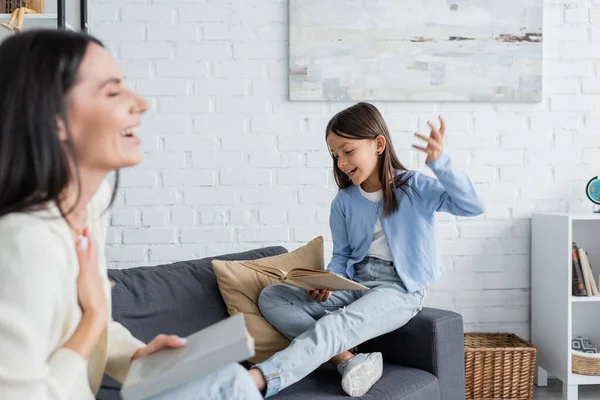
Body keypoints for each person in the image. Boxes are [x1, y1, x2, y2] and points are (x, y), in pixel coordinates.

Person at [0, 29, 262, 400]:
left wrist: (135, 356)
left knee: (228, 380)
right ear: (54, 117)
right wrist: (93, 317)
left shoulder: (89, 205)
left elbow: (71, 327)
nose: (140, 103)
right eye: (112, 92)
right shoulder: (23, 242)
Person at [248, 102, 485, 397]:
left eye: (348, 151)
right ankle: (347, 360)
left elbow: (472, 206)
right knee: (273, 296)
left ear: (378, 144)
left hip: (400, 288)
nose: (342, 163)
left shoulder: (414, 187)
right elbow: (343, 254)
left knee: (335, 324)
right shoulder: (344, 201)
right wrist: (329, 282)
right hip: (355, 283)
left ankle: (259, 380)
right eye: (336, 155)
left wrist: (440, 163)